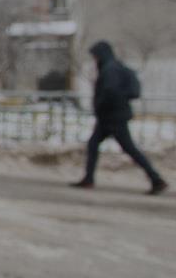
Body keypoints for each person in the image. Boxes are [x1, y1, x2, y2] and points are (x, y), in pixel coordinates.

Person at [71, 41, 168, 195]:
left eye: (95, 56)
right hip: (111, 116)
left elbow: (110, 92)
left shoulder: (110, 70)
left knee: (129, 148)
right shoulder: (115, 67)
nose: (94, 59)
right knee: (94, 144)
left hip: (112, 117)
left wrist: (100, 106)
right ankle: (89, 178)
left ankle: (156, 179)